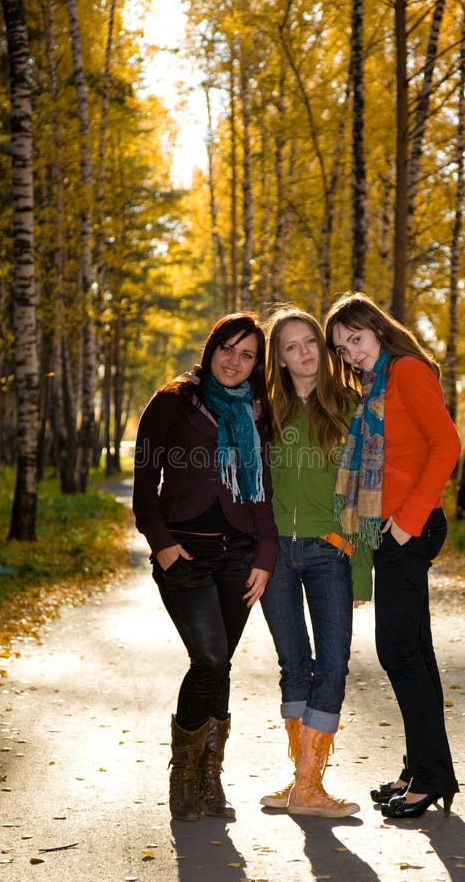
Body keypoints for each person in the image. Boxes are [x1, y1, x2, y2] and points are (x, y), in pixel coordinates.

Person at [132, 313, 279, 822]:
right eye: (228, 348)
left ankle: (209, 779)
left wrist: (266, 555)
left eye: (247, 354)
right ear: (211, 346)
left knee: (221, 665)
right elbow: (145, 481)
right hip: (186, 555)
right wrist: (163, 545)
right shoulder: (175, 401)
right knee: (211, 660)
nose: (235, 361)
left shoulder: (258, 412)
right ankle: (183, 776)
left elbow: (260, 492)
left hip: (239, 555)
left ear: (256, 364)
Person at [324, 292, 461, 819]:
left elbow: (445, 444)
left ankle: (428, 777)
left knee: (399, 652)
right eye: (342, 347)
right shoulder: (374, 385)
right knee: (413, 653)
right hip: (392, 527)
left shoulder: (405, 370)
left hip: (410, 525)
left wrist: (406, 523)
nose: (351, 353)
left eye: (355, 339)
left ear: (378, 329)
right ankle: (425, 769)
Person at [259, 307, 372, 818]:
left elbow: (370, 487)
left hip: (331, 548)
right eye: (291, 345)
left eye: (310, 342)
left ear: (324, 351)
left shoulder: (351, 406)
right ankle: (302, 784)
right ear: (278, 358)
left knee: (332, 663)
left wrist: (361, 561)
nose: (303, 352)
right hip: (276, 551)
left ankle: (308, 784)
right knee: (293, 664)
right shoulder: (266, 411)